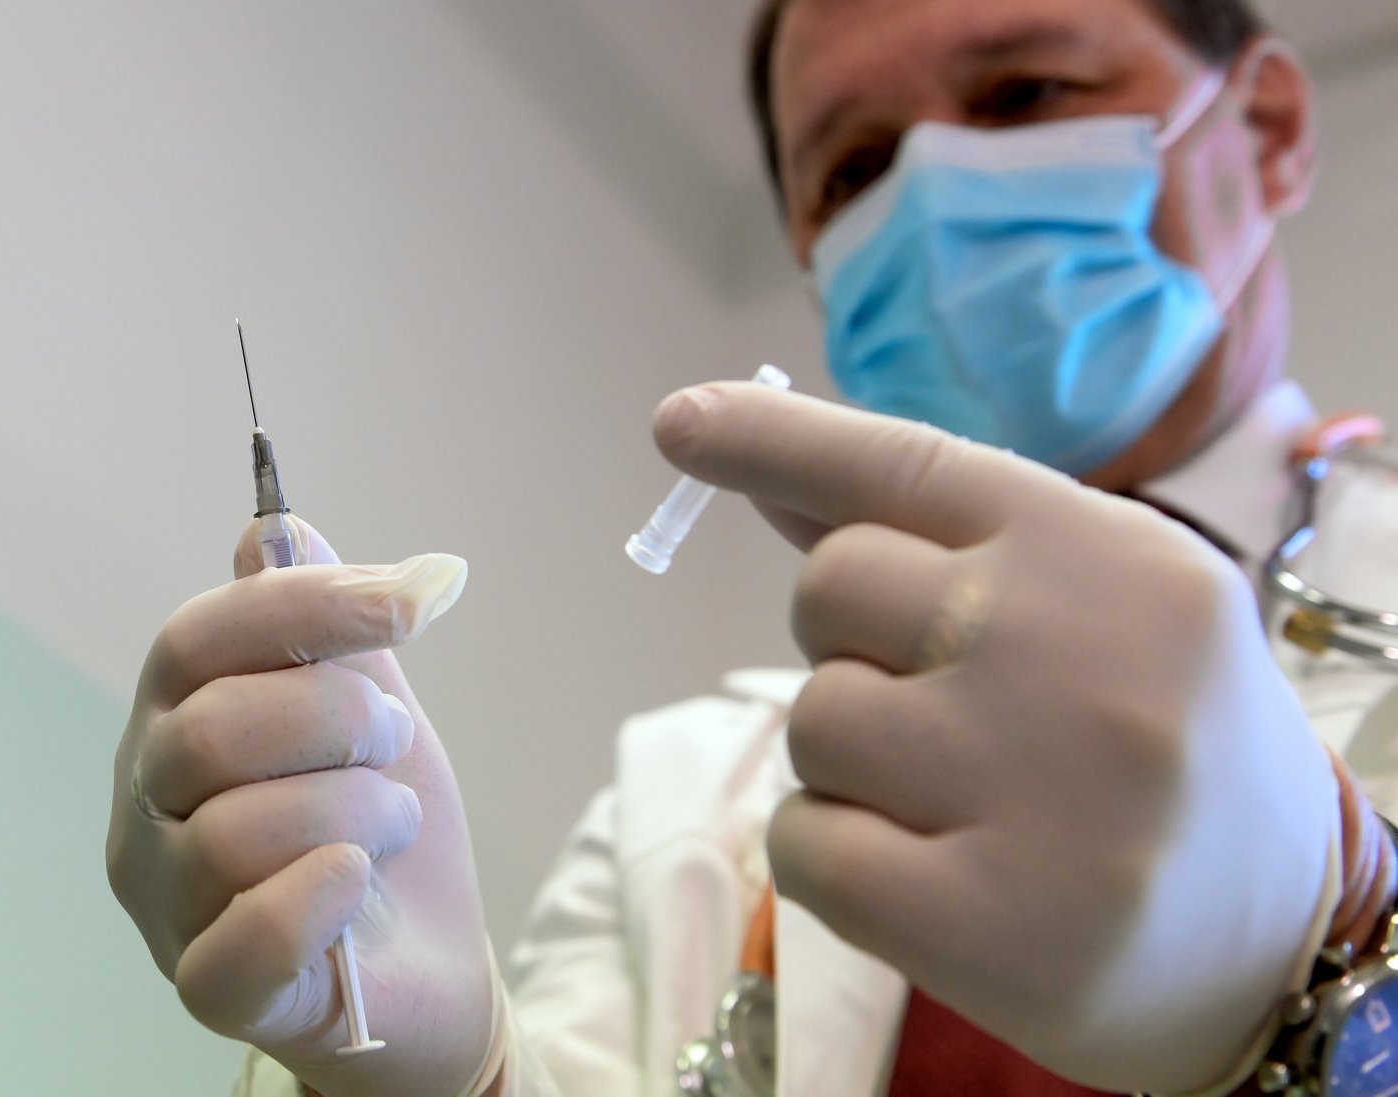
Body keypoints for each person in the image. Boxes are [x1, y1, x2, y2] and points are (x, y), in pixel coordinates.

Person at [104, 0, 1398, 1094]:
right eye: (856, 170)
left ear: (1269, 128)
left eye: (1024, 93)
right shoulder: (689, 794)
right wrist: (453, 1081)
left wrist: (1348, 968)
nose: (935, 198)